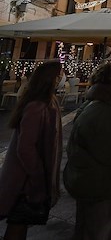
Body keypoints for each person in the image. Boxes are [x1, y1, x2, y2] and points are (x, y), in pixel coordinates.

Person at [64, 63, 111, 240]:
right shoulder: (104, 112)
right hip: (100, 183)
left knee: (86, 228)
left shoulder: (93, 105)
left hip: (87, 179)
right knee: (99, 231)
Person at [0, 60, 63, 240]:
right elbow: (26, 148)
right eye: (58, 75)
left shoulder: (45, 102)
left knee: (21, 222)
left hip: (27, 178)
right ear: (49, 79)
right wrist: (37, 176)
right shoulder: (37, 106)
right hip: (24, 181)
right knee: (17, 224)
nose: (60, 78)